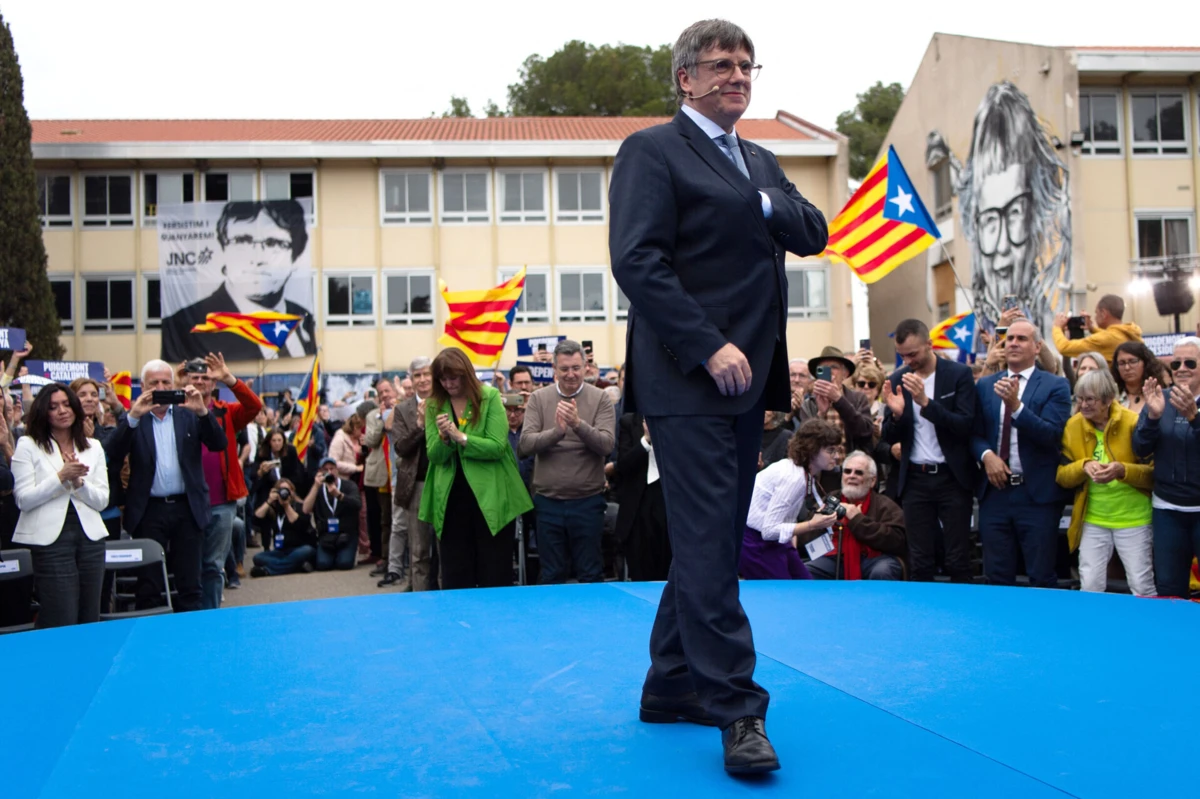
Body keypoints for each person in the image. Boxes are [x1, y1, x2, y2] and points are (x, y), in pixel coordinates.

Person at [609, 18, 828, 774]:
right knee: (712, 545)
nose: (737, 74)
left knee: (708, 539)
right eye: (720, 64)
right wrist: (707, 343)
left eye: (746, 63)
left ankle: (671, 682)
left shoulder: (760, 159)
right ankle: (737, 707)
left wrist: (762, 200)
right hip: (687, 378)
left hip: (748, 384)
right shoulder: (652, 151)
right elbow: (636, 260)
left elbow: (814, 229)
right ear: (686, 79)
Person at [104, 360, 227, 611]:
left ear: (174, 385)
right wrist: (133, 417)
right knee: (148, 584)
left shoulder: (188, 413)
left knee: (190, 584)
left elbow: (219, 444)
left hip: (187, 508)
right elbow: (112, 453)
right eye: (154, 383)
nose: (160, 388)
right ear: (143, 386)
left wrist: (203, 412)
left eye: (165, 383)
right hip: (149, 510)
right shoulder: (136, 417)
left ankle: (189, 639)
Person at [958, 81, 1071, 335]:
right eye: (989, 220)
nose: (1001, 245)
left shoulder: (1050, 326)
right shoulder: (969, 331)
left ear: (1034, 216)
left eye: (1014, 214)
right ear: (974, 223)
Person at [419, 348, 532, 589]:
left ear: (466, 374)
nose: (449, 384)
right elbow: (435, 456)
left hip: (491, 497)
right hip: (451, 500)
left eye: (454, 377)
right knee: (455, 574)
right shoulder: (433, 405)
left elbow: (498, 447)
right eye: (443, 379)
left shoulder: (489, 396)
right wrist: (444, 439)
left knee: (494, 572)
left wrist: (461, 437)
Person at [971, 320, 1072, 587]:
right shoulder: (985, 385)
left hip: (1036, 495)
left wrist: (1016, 407)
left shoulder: (1055, 386)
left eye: (1022, 339)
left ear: (1037, 347)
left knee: (1041, 575)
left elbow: (1052, 435)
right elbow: (973, 433)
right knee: (997, 576)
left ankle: (1043, 628)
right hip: (995, 494)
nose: (1013, 343)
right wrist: (986, 456)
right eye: (1009, 338)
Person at [160, 200, 316, 361]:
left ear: (295, 258)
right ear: (223, 250)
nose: (258, 258)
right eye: (242, 241)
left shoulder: (303, 318)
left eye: (274, 243)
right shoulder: (184, 325)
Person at [883, 319, 978, 582]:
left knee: (957, 556)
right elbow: (887, 437)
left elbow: (965, 425)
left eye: (913, 354)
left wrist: (926, 403)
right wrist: (896, 416)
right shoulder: (897, 378)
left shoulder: (958, 374)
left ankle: (963, 615)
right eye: (902, 355)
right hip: (915, 479)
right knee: (920, 558)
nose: (908, 360)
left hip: (952, 477)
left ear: (929, 344)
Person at [10, 384, 110, 628]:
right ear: (44, 412)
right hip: (50, 539)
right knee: (61, 613)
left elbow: (102, 500)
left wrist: (78, 483)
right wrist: (60, 477)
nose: (62, 411)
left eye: (66, 404)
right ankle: (54, 663)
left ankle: (87, 664)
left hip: (90, 537)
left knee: (89, 615)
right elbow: (23, 499)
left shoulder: (93, 446)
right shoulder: (28, 444)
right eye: (53, 407)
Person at [519, 340, 616, 584]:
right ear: (554, 369)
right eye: (564, 369)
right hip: (548, 503)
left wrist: (577, 425)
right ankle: (553, 622)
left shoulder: (601, 399)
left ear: (585, 367)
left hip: (588, 502)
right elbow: (525, 445)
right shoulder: (538, 399)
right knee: (551, 574)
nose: (570, 374)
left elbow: (606, 445)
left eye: (575, 367)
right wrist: (556, 432)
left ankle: (591, 622)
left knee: (590, 573)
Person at [1057, 369, 1155, 596]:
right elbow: (1061, 476)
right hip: (1092, 519)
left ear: (1108, 399)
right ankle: (1091, 630)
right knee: (1090, 585)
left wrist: (1123, 470)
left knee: (1142, 585)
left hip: (1134, 519)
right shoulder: (1073, 426)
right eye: (1079, 398)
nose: (1083, 405)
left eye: (1089, 399)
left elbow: (1152, 475)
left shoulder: (1133, 422)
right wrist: (1083, 466)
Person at [178, 352, 263, 608]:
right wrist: (174, 385)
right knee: (188, 565)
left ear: (213, 384)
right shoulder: (175, 411)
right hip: (186, 502)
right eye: (196, 377)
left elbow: (255, 407)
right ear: (186, 381)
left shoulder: (226, 412)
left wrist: (229, 378)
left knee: (214, 566)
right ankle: (190, 618)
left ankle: (212, 616)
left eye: (206, 378)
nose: (202, 382)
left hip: (221, 501)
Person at [1133, 337, 1200, 598]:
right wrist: (1152, 417)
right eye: (1176, 363)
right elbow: (1140, 448)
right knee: (1169, 588)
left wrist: (1195, 419)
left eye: (1190, 362)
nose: (1181, 368)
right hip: (1167, 510)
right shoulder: (1159, 399)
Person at [740, 419, 842, 580]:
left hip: (774, 540)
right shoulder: (794, 478)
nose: (836, 456)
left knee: (805, 586)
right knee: (785, 595)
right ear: (812, 450)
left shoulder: (798, 470)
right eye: (830, 450)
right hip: (755, 544)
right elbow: (769, 530)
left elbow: (783, 516)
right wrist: (812, 525)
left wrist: (791, 538)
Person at [806, 451, 907, 580]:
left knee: (883, 570)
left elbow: (897, 541)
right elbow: (806, 537)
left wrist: (857, 519)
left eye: (858, 472)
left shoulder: (885, 505)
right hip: (835, 558)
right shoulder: (830, 499)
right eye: (847, 471)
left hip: (874, 559)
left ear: (872, 481)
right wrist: (818, 522)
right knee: (806, 570)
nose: (851, 476)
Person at [385, 356, 437, 591]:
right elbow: (401, 448)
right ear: (411, 380)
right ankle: (421, 599)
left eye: (427, 374)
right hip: (417, 485)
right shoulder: (402, 410)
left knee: (446, 549)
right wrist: (421, 426)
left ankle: (448, 600)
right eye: (418, 375)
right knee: (419, 551)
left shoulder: (446, 402)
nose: (423, 379)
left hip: (445, 482)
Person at [613, 411, 672, 581]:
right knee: (640, 567)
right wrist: (646, 441)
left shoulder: (676, 420)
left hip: (669, 501)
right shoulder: (629, 421)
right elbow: (623, 465)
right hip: (638, 505)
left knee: (667, 567)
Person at [797, 347, 874, 454]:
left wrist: (839, 400)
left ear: (845, 373)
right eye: (823, 368)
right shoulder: (809, 404)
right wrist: (820, 414)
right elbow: (805, 442)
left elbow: (865, 433)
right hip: (821, 468)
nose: (829, 371)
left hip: (850, 466)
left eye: (834, 367)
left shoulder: (858, 398)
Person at [363, 378, 398, 574]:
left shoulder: (403, 408)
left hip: (401, 470)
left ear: (394, 391)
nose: (384, 395)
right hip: (383, 473)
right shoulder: (371, 416)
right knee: (386, 518)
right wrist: (382, 421)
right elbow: (370, 440)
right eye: (381, 392)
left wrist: (394, 414)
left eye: (387, 391)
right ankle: (386, 558)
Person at [302, 458, 361, 571]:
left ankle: (344, 554)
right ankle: (327, 556)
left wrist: (339, 495)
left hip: (346, 534)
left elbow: (357, 504)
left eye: (332, 469)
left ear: (337, 470)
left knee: (344, 564)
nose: (329, 472)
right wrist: (315, 486)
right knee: (323, 565)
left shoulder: (349, 485)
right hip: (327, 536)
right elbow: (305, 509)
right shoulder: (318, 489)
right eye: (326, 469)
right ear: (321, 471)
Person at [248, 478, 315, 575]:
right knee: (258, 558)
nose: (284, 493)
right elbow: (256, 519)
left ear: (292, 492)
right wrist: (269, 501)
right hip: (281, 551)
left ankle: (268, 571)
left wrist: (287, 506)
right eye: (281, 490)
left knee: (306, 551)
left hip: (300, 548)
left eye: (287, 490)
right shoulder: (274, 509)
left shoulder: (300, 506)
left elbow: (299, 525)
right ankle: (296, 566)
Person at [1052, 295, 1143, 364]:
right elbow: (1113, 336)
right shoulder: (1130, 332)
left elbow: (1064, 347)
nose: (1095, 318)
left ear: (1103, 313)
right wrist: (1092, 329)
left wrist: (1057, 327)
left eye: (1096, 313)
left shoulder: (1105, 339)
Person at [252, 428, 306, 515]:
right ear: (269, 441)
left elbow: (296, 473)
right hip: (268, 488)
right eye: (274, 441)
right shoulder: (262, 453)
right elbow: (254, 475)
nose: (277, 443)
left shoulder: (290, 451)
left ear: (283, 441)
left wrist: (286, 485)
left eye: (279, 440)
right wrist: (261, 472)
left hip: (288, 485)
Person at [1110, 341, 1170, 415]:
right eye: (1122, 363)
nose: (1127, 367)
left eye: (1133, 361)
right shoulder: (1112, 398)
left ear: (1145, 363)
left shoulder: (1160, 396)